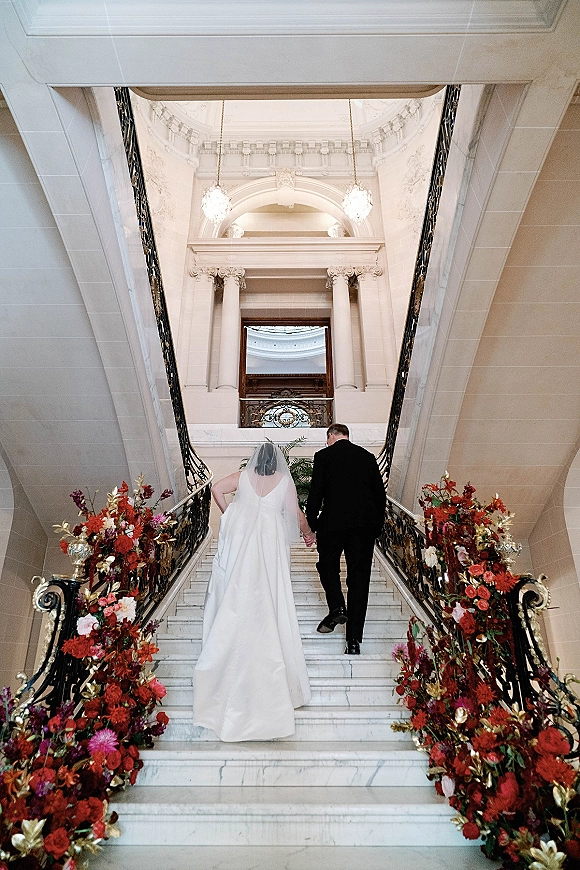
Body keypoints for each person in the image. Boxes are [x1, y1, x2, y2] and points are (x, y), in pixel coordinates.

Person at [193, 443, 313, 742]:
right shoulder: (284, 481)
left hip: (243, 535)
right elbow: (295, 513)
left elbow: (216, 489)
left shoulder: (242, 476)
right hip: (270, 539)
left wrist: (232, 513)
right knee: (270, 594)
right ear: (278, 463)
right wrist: (309, 533)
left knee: (239, 588)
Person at [305, 423, 386, 656]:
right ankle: (353, 641)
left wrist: (312, 524)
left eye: (327, 439)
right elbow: (379, 496)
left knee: (327, 566)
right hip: (363, 528)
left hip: (332, 525)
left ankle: (337, 606)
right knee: (359, 581)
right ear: (347, 436)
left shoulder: (323, 456)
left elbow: (315, 493)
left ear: (331, 436)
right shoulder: (367, 457)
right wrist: (376, 527)